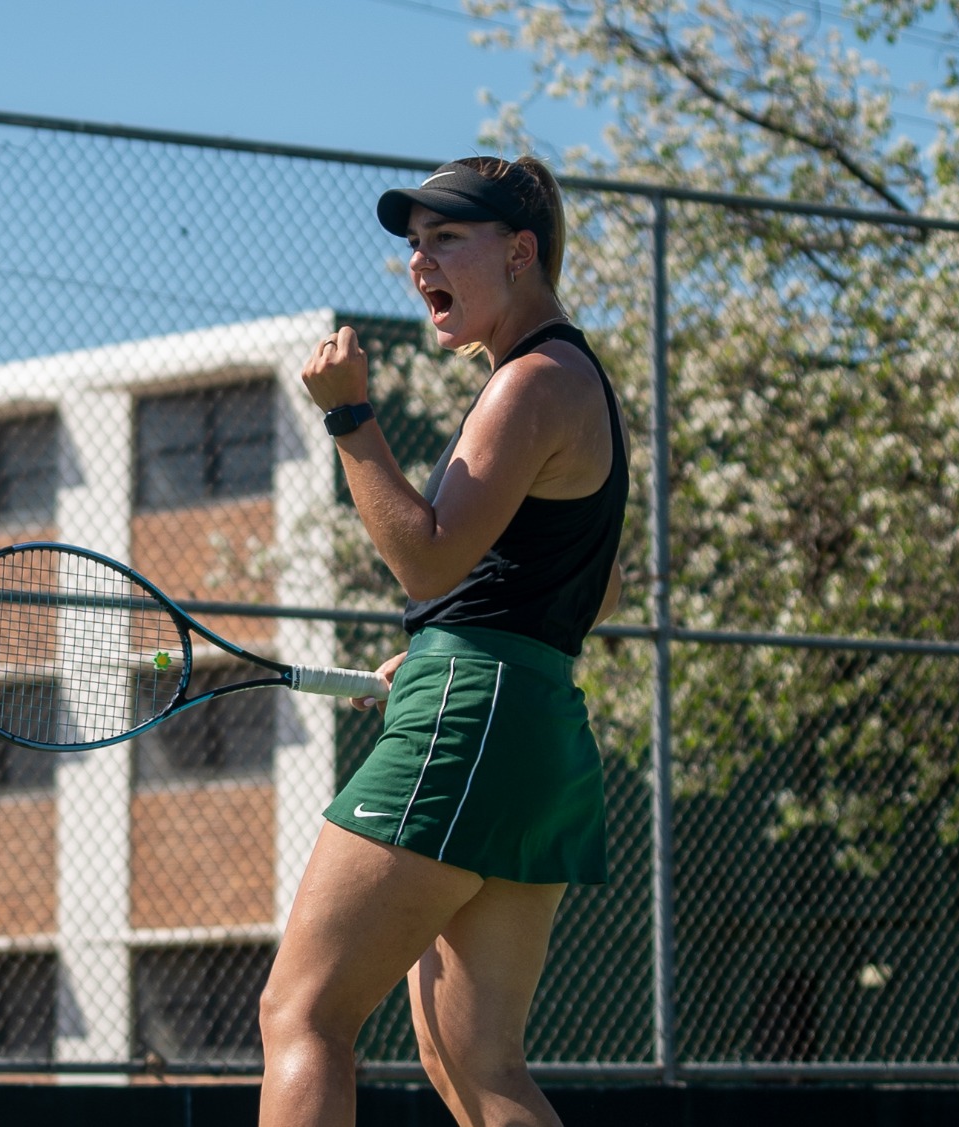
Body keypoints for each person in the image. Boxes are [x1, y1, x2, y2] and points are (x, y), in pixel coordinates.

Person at [258, 156, 629, 1127]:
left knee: (302, 1014)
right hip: (536, 718)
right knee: (475, 1059)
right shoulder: (575, 378)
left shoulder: (526, 383)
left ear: (517, 253)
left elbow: (425, 562)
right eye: (412, 245)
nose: (418, 263)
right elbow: (598, 582)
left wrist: (348, 415)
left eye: (443, 240)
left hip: (474, 715)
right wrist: (454, 649)